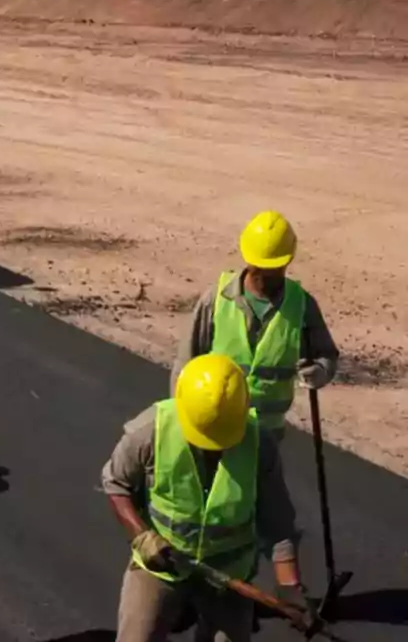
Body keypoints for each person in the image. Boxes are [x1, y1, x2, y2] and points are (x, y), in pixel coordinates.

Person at [104, 353, 313, 641]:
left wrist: (289, 588)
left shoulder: (259, 446)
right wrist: (142, 537)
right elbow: (116, 484)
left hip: (229, 576)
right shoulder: (150, 431)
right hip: (162, 565)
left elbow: (278, 523)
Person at [171, 210, 340, 439]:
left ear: (288, 261)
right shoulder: (217, 299)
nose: (264, 276)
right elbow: (186, 365)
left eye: (272, 269)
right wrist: (180, 419)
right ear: (247, 259)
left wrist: (319, 372)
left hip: (267, 435)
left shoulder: (301, 305)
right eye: (258, 268)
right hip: (215, 428)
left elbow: (326, 355)